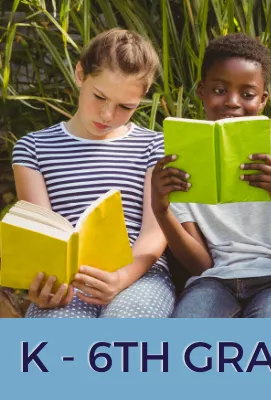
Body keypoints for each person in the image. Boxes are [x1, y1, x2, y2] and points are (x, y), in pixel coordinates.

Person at [12, 29, 174, 318]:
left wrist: (122, 278)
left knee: (124, 336)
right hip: (67, 286)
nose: (107, 115)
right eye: (99, 97)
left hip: (139, 277)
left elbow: (154, 232)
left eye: (126, 107)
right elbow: (43, 240)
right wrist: (45, 289)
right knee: (57, 347)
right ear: (79, 74)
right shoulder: (33, 148)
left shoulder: (154, 146)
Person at [152, 33, 271, 318]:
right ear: (201, 91)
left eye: (248, 94)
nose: (233, 102)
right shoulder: (180, 158)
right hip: (212, 282)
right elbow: (201, 265)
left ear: (263, 100)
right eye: (219, 90)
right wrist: (161, 211)